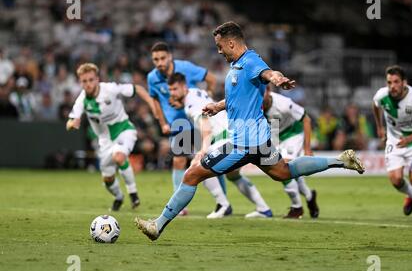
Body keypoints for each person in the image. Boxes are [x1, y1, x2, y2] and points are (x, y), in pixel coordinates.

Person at [135, 21, 365, 241]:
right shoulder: (237, 67)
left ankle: (158, 225)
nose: (219, 51)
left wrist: (278, 78)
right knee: (284, 172)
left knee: (191, 175)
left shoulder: (251, 60)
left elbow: (268, 73)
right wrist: (218, 105)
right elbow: (239, 96)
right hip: (259, 140)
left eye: (220, 46)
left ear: (231, 43)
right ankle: (341, 161)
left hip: (242, 143)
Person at [168, 72, 273, 218]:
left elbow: (206, 126)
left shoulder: (191, 105)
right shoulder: (195, 92)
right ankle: (264, 209)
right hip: (232, 133)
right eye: (170, 90)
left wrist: (202, 151)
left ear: (184, 87)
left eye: (175, 89)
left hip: (222, 138)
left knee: (199, 167)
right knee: (233, 175)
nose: (172, 93)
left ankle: (223, 205)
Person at [66, 63, 159, 211]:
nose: (88, 84)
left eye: (91, 80)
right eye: (84, 81)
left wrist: (153, 106)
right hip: (105, 142)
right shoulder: (81, 100)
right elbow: (70, 121)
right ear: (80, 82)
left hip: (124, 130)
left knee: (119, 157)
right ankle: (118, 197)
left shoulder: (110, 89)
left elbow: (138, 89)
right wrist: (73, 123)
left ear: (97, 79)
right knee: (108, 179)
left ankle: (133, 194)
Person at [147, 41, 221, 216]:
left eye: (162, 58)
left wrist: (207, 99)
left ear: (170, 57)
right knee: (179, 160)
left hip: (199, 120)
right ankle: (180, 204)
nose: (159, 63)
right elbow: (155, 100)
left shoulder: (185, 67)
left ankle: (222, 202)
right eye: (155, 59)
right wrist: (162, 122)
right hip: (179, 124)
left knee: (212, 160)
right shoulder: (152, 78)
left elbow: (211, 78)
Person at [372, 65, 412, 220]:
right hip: (394, 140)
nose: (392, 86)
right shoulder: (381, 95)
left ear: (404, 82)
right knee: (396, 179)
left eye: (396, 82)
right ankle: (411, 195)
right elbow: (375, 105)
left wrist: (409, 139)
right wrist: (379, 127)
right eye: (389, 82)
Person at [263, 85, 319, 219]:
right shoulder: (254, 103)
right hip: (275, 137)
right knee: (291, 172)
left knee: (282, 169)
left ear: (269, 91)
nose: (258, 95)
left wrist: (307, 149)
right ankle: (310, 196)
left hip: (292, 135)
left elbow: (306, 119)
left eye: (262, 92)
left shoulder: (284, 104)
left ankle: (297, 208)